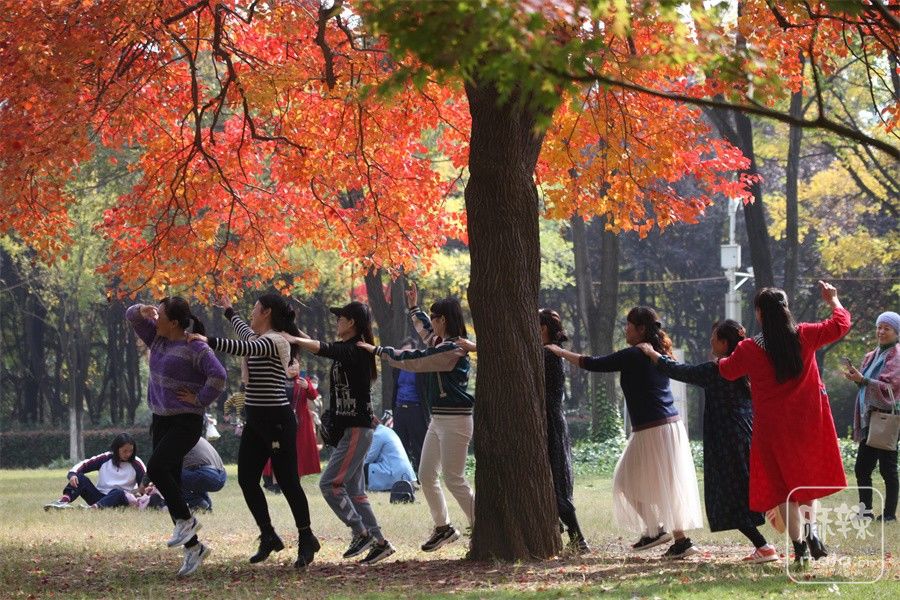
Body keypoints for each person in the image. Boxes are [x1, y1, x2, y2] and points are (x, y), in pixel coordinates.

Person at [547, 307, 703, 559]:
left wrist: (560, 352)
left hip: (653, 427)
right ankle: (677, 539)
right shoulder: (656, 352)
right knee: (662, 483)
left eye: (629, 325)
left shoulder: (635, 354)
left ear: (640, 329)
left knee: (628, 481)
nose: (625, 330)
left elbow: (594, 363)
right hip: (665, 425)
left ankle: (662, 532)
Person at [718, 281, 850, 564]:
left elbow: (728, 371)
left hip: (772, 429)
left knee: (783, 490)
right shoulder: (806, 335)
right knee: (805, 482)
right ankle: (812, 531)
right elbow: (841, 324)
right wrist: (833, 300)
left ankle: (799, 548)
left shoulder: (749, 348)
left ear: (759, 314)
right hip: (807, 423)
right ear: (786, 309)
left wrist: (721, 357)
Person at [191, 293, 320, 569]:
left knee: (288, 481)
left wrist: (207, 340)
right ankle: (268, 535)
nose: (252, 312)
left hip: (277, 422)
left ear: (267, 312)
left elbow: (245, 346)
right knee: (247, 479)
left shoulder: (276, 341)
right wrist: (229, 310)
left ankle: (307, 537)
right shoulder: (261, 339)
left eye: (255, 308)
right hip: (256, 421)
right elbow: (246, 335)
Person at [637, 320, 775, 563]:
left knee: (731, 497)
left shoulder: (718, 369)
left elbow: (682, 371)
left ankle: (763, 546)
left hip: (727, 441)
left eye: (714, 338)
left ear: (724, 343)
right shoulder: (747, 367)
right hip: (747, 436)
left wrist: (652, 353)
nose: (710, 341)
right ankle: (773, 532)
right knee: (743, 492)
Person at [357, 283, 473, 554]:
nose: (431, 323)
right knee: (426, 475)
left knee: (454, 479)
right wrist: (414, 309)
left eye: (434, 317)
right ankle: (443, 527)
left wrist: (378, 351)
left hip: (456, 420)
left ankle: (481, 527)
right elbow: (426, 333)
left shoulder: (453, 349)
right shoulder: (442, 343)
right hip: (439, 419)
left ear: (443, 320)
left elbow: (416, 359)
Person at [282, 301, 395, 565]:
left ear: (352, 322)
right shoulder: (347, 349)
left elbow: (323, 348)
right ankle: (380, 543)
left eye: (340, 318)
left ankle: (360, 532)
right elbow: (321, 346)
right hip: (353, 430)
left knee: (329, 484)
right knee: (355, 492)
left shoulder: (357, 349)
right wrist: (291, 329)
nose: (337, 321)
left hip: (357, 429)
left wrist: (293, 338)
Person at [126, 298, 226, 577]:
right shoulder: (157, 339)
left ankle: (186, 521)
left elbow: (219, 376)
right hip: (161, 420)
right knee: (172, 482)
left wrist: (200, 399)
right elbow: (131, 316)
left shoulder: (195, 346)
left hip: (186, 421)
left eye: (160, 315)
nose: (155, 318)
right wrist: (141, 309)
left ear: (173, 322)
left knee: (156, 469)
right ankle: (194, 548)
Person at [539, 309, 589, 553]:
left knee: (557, 483)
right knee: (555, 481)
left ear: (543, 329)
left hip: (551, 423)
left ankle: (578, 538)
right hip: (552, 421)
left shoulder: (547, 353)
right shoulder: (549, 352)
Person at [844, 310, 900, 522]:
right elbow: (865, 386)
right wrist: (857, 379)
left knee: (887, 468)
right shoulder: (871, 355)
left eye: (887, 328)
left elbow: (892, 388)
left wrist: (864, 381)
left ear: (896, 333)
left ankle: (889, 515)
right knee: (862, 468)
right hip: (869, 417)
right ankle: (865, 511)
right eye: (879, 327)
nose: (881, 332)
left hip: (887, 419)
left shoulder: (897, 356)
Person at [45, 433, 146, 510]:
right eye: (124, 451)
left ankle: (93, 509)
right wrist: (72, 474)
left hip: (120, 499)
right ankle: (62, 501)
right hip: (98, 497)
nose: (128, 454)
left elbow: (146, 482)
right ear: (116, 449)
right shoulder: (105, 458)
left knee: (117, 492)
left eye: (131, 451)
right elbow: (84, 465)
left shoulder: (136, 463)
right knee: (80, 478)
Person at [391, 338, 430, 475]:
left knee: (419, 445)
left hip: (416, 410)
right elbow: (395, 389)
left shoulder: (421, 369)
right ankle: (404, 476)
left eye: (408, 351)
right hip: (399, 409)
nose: (405, 354)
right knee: (400, 445)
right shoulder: (397, 368)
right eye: (403, 352)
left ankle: (421, 476)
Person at [365, 414, 417, 491]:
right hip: (405, 474)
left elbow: (370, 458)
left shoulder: (377, 435)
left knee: (362, 467)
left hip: (394, 474)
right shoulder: (387, 430)